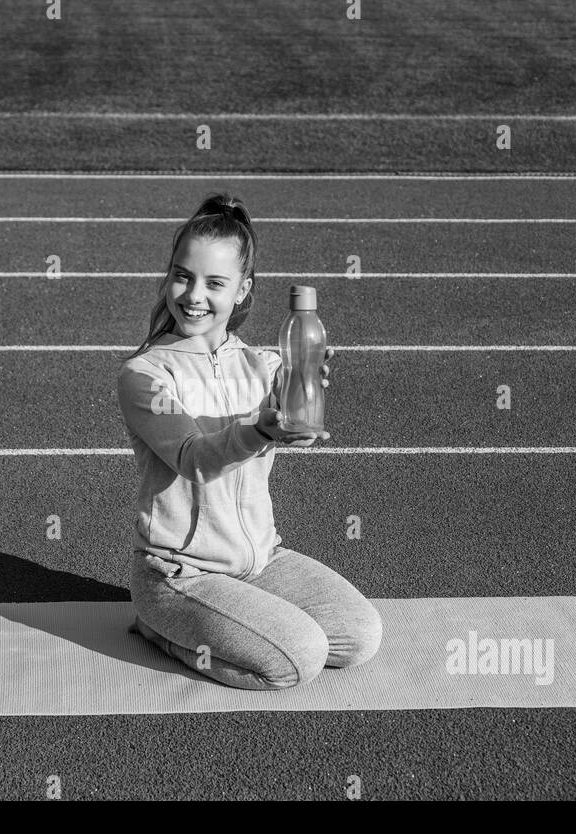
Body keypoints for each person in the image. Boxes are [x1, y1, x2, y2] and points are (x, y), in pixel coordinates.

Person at [116, 193, 383, 690]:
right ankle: (160, 629)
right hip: (180, 575)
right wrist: (259, 429)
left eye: (215, 283)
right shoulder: (146, 375)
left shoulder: (264, 364)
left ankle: (240, 620)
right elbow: (194, 458)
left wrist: (295, 409)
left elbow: (297, 437)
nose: (194, 295)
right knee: (296, 660)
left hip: (262, 560)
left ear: (242, 291)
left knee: (357, 637)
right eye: (182, 275)